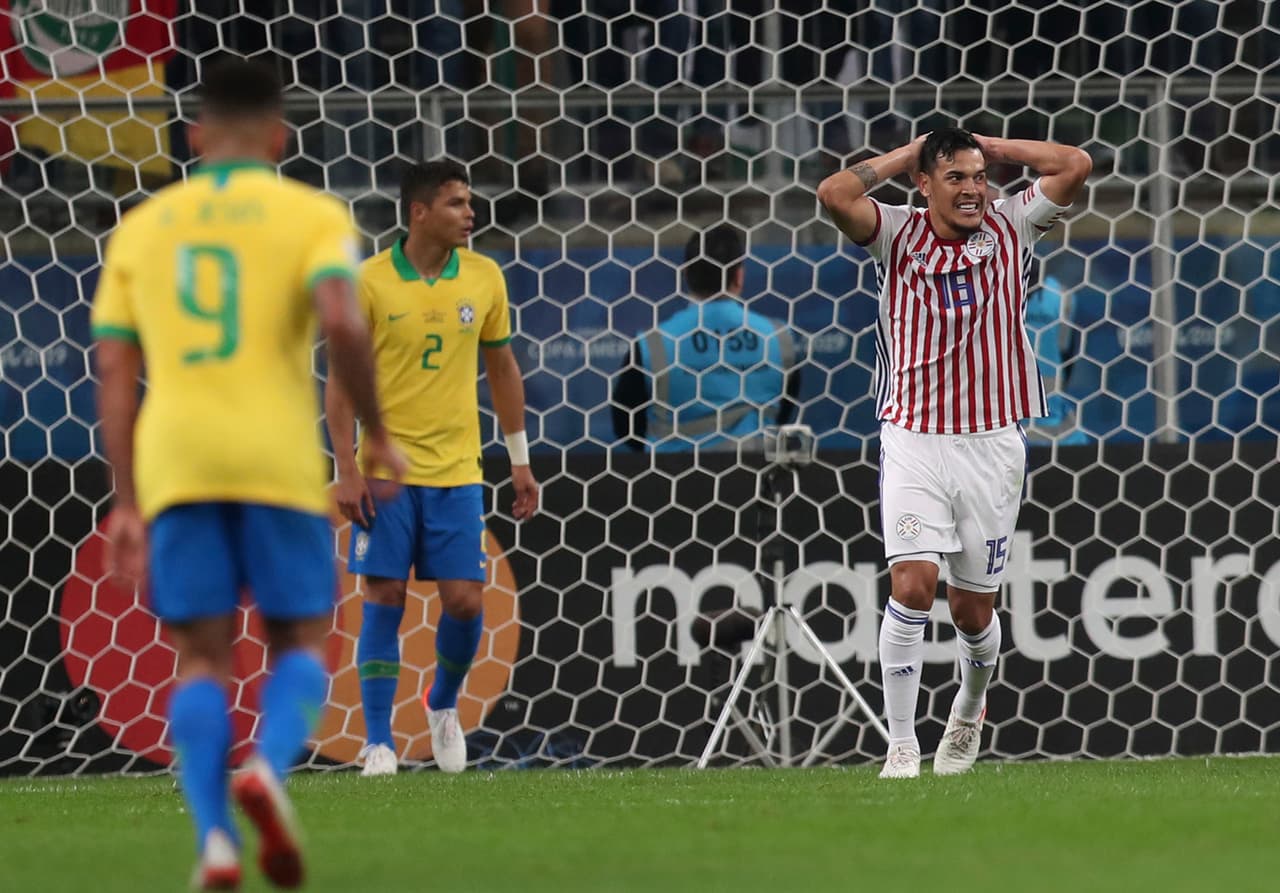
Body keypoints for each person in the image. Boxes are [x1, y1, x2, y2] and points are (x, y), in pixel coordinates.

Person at [91, 58, 406, 890]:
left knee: (200, 657)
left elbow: (115, 367)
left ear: (195, 137)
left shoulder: (143, 227)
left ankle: (215, 843)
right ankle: (267, 766)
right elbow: (342, 318)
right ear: (279, 136)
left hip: (179, 462)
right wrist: (377, 432)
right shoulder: (312, 214)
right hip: (275, 460)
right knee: (301, 638)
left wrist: (127, 499)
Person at [817, 127, 1091, 778]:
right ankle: (901, 745)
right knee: (912, 587)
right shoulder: (894, 232)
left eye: (978, 178)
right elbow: (834, 193)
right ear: (923, 184)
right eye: (955, 178)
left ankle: (969, 707)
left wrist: (993, 148)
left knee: (972, 611)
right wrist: (907, 153)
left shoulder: (1012, 224)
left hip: (992, 444)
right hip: (913, 436)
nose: (972, 190)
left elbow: (1075, 164)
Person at [326, 159, 539, 778]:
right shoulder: (368, 282)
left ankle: (442, 703)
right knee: (384, 594)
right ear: (419, 212)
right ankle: (378, 741)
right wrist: (345, 467)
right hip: (385, 471)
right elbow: (341, 382)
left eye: (469, 202)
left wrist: (519, 460)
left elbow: (502, 369)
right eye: (456, 203)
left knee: (466, 602)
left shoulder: (484, 276)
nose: (471, 213)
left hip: (458, 470)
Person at [611, 223, 802, 452]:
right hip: (755, 470)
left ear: (686, 274)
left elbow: (625, 426)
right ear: (739, 276)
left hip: (672, 471)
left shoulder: (652, 344)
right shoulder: (779, 338)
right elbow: (784, 410)